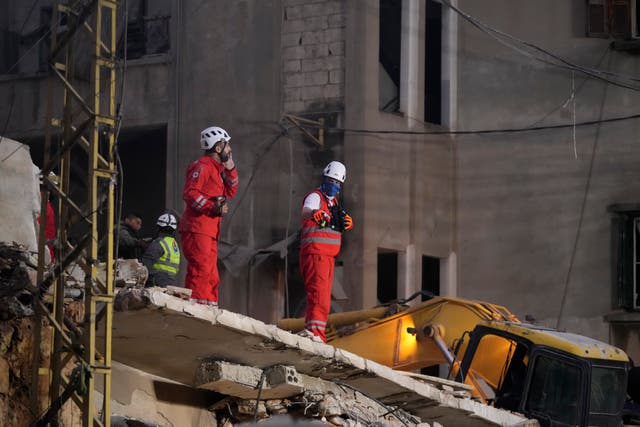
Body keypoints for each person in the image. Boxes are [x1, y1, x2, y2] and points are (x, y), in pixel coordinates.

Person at [179, 125, 238, 307]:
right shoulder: (202, 167)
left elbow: (232, 189)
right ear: (217, 148)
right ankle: (196, 311)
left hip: (209, 231)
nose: (230, 149)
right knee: (201, 270)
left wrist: (230, 168)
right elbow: (190, 194)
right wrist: (213, 207)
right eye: (227, 146)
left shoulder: (217, 171)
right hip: (197, 229)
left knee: (212, 274)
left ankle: (209, 309)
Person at [299, 161, 353, 342]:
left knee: (323, 297)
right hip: (316, 253)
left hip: (328, 256)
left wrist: (345, 222)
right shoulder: (316, 197)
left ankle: (315, 332)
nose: (334, 184)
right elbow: (306, 211)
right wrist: (315, 214)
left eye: (337, 183)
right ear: (325, 178)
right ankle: (315, 334)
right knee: (318, 295)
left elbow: (337, 221)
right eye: (331, 180)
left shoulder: (334, 203)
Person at [141, 213, 181, 287]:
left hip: (156, 280)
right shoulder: (174, 244)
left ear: (158, 228)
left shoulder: (159, 242)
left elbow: (146, 262)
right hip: (170, 280)